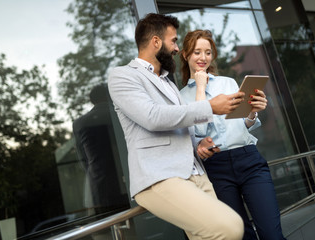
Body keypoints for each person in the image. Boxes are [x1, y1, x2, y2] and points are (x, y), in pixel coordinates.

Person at [108, 13, 245, 240]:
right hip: (160, 176)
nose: (176, 48)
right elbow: (152, 117)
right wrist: (210, 107)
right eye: (173, 41)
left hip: (196, 173)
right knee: (231, 228)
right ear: (156, 42)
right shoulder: (123, 76)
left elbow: (179, 124)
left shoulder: (167, 81)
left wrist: (199, 144)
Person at [179, 29, 286, 240]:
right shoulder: (181, 97)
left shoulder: (227, 83)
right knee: (239, 234)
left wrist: (253, 111)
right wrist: (200, 87)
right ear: (185, 55)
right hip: (216, 169)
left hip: (248, 158)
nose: (203, 58)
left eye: (208, 52)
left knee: (272, 234)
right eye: (197, 52)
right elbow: (199, 132)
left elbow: (242, 124)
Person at [73, 85, 130, 214]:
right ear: (109, 96)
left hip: (100, 185)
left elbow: (83, 159)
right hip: (128, 179)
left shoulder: (79, 123)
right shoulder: (122, 114)